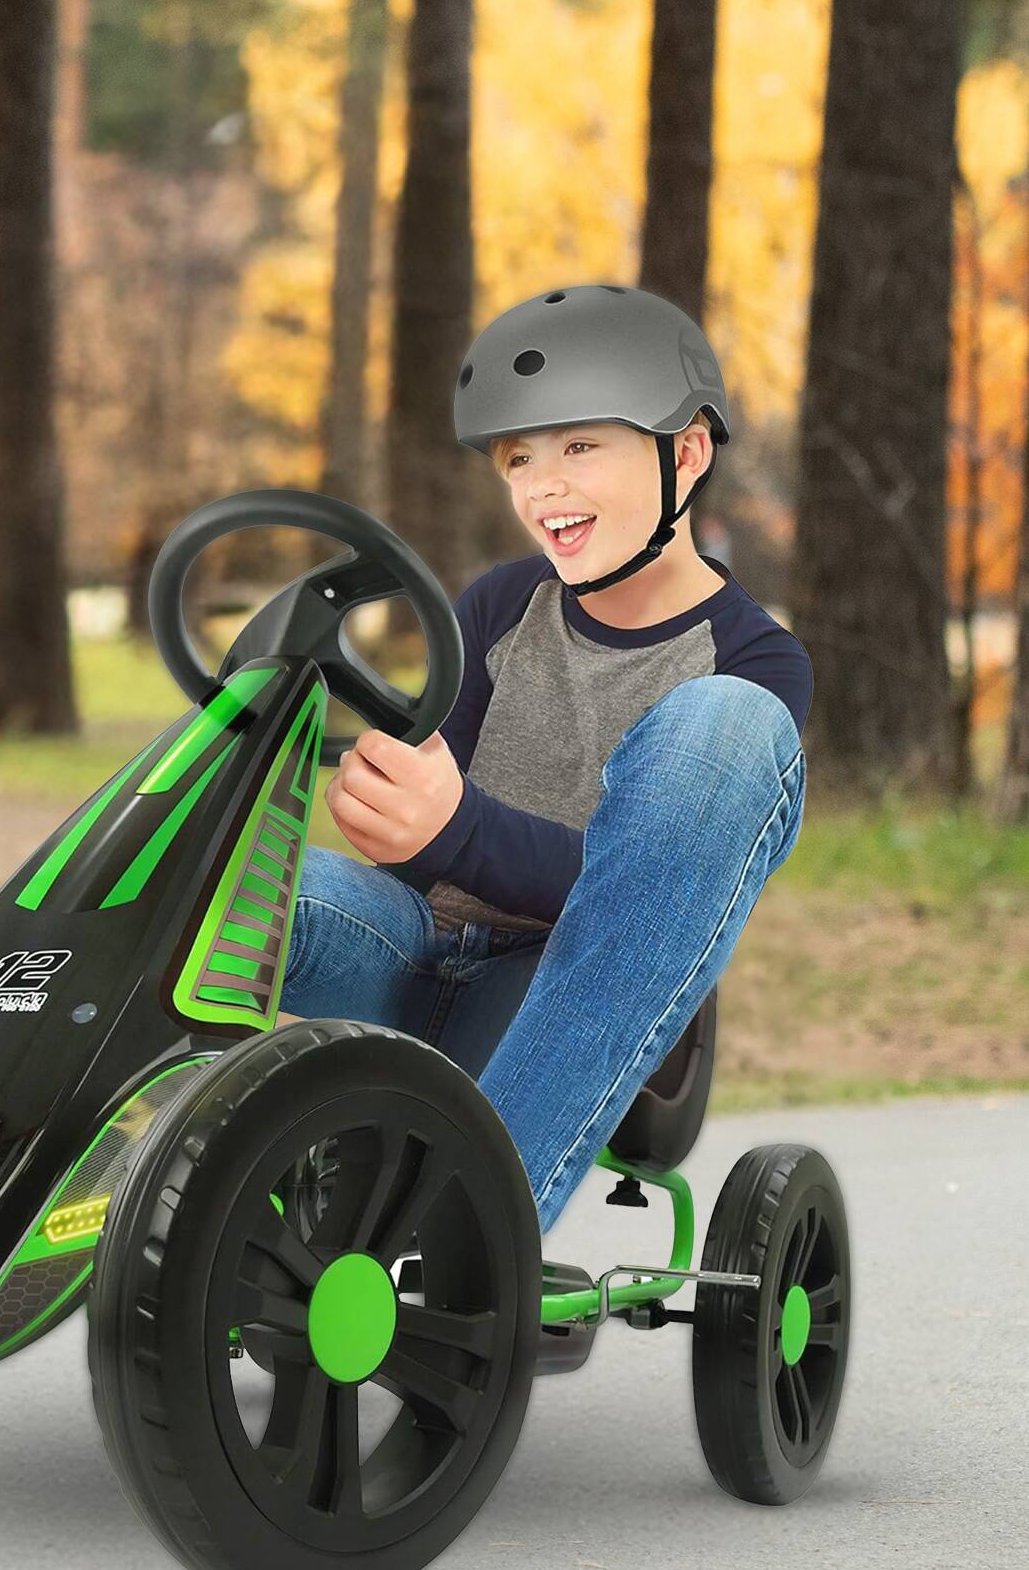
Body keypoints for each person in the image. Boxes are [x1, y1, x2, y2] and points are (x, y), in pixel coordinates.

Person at [279, 282, 812, 1238]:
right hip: (410, 950)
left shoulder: (751, 665)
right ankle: (104, 1185)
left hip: (567, 987)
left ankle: (477, 1230)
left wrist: (458, 830)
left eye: (577, 446)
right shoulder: (500, 605)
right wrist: (399, 820)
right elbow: (435, 851)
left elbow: (652, 895)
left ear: (686, 453)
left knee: (726, 727)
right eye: (519, 458)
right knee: (227, 891)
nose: (542, 486)